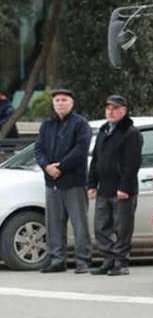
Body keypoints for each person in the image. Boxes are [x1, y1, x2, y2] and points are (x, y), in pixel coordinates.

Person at [34, 88, 92, 273]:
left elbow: (81, 150)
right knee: (54, 224)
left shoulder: (81, 124)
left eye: (64, 100)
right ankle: (57, 259)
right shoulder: (47, 125)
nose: (60, 103)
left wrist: (61, 167)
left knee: (79, 224)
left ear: (72, 103)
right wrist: (47, 167)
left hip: (74, 181)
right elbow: (38, 149)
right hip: (52, 183)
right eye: (57, 100)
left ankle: (83, 260)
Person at [87, 95, 144, 276]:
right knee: (101, 227)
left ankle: (121, 262)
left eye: (115, 108)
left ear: (124, 110)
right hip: (104, 188)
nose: (110, 111)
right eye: (108, 108)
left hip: (122, 190)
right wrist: (92, 183)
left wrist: (124, 188)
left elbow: (132, 163)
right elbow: (96, 159)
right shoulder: (104, 130)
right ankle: (108, 260)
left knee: (122, 228)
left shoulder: (131, 133)